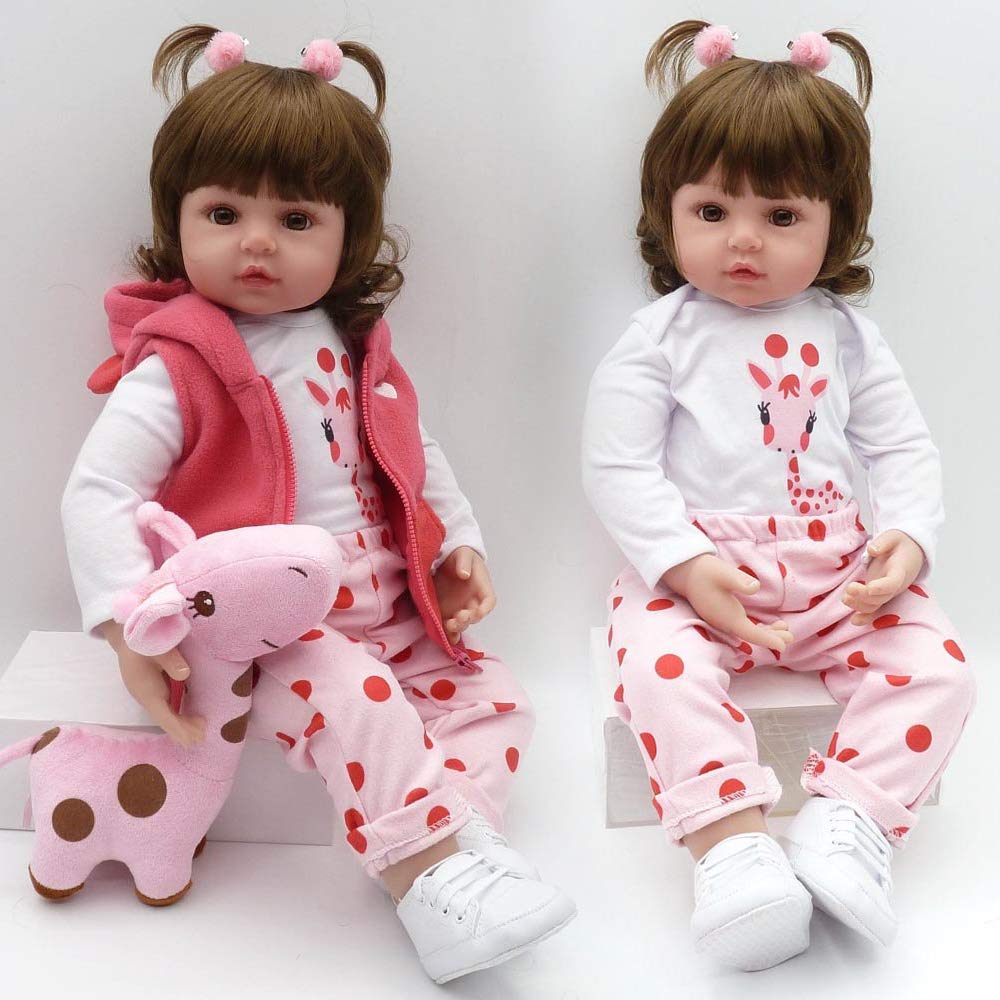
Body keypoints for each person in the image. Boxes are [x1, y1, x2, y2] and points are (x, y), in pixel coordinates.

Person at [62, 25, 574, 984]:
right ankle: (430, 885)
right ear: (177, 219)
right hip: (271, 634)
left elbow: (417, 455)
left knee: (500, 700)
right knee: (357, 700)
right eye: (224, 213)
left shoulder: (354, 345)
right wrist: (128, 622)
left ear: (349, 237)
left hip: (393, 611)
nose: (257, 241)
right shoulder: (179, 365)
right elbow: (99, 490)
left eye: (296, 220)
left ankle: (459, 845)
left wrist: (456, 544)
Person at [582, 20, 974, 972]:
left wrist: (907, 536)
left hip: (839, 577)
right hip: (703, 575)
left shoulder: (847, 336)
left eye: (783, 216)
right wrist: (683, 565)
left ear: (837, 221)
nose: (744, 240)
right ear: (667, 211)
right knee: (657, 669)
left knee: (943, 669)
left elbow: (902, 445)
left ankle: (849, 822)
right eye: (712, 210)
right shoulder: (659, 337)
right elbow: (618, 466)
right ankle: (732, 849)